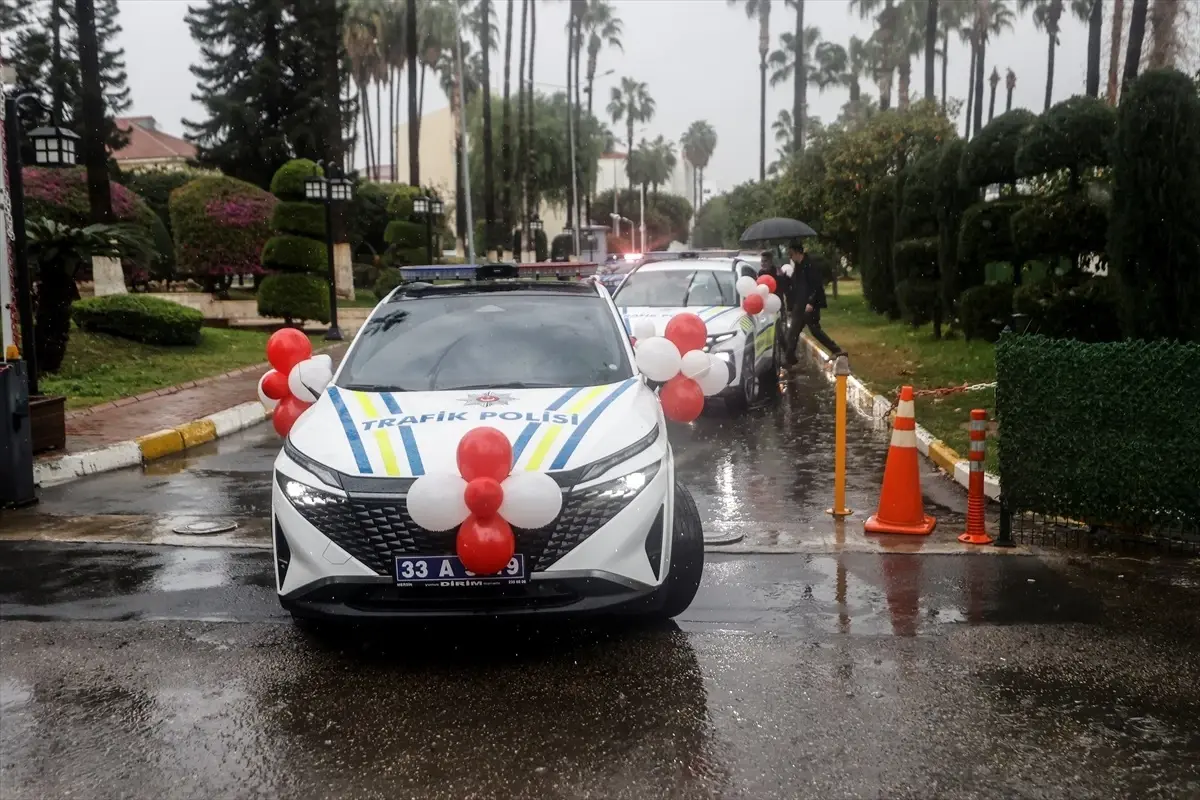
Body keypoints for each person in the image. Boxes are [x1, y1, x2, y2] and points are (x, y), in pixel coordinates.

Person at [781, 240, 844, 366]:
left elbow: (816, 286)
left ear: (798, 253)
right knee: (793, 332)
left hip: (809, 305)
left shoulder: (810, 265)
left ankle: (838, 351)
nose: (790, 257)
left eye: (791, 254)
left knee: (815, 330)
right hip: (800, 304)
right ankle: (789, 359)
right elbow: (796, 285)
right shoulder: (798, 267)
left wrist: (811, 302)